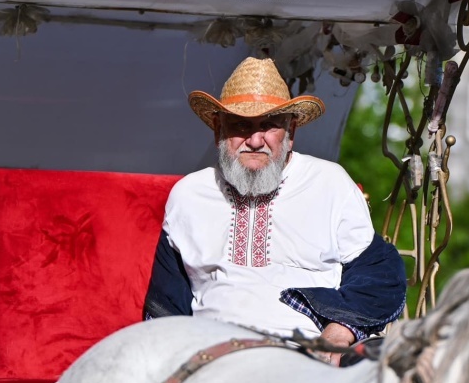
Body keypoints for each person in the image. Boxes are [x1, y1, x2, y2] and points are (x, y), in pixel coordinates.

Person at [144, 56, 407, 364]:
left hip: (308, 357)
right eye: (241, 125)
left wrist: (338, 332)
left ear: (291, 132)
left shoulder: (329, 183)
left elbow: (379, 272)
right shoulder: (189, 195)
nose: (255, 140)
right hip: (211, 355)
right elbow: (166, 302)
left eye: (269, 125)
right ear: (218, 131)